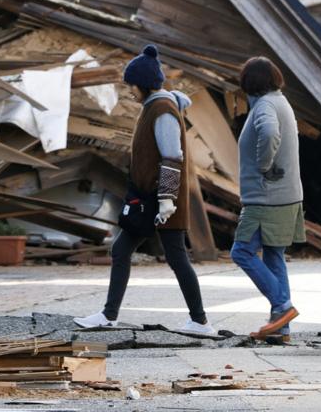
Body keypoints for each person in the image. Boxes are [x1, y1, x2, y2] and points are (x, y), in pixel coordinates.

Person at [74, 45, 215, 335]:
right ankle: (110, 314)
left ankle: (200, 321)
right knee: (123, 249)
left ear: (144, 84)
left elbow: (172, 156)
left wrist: (166, 199)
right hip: (148, 199)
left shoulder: (162, 110)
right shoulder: (155, 107)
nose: (129, 91)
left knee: (175, 257)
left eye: (131, 86)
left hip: (161, 201)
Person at [230, 56, 305, 342]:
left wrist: (263, 165)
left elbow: (269, 132)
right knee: (274, 256)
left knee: (241, 251)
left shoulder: (264, 106)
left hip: (266, 197)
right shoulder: (281, 101)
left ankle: (283, 307)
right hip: (287, 196)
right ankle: (281, 328)